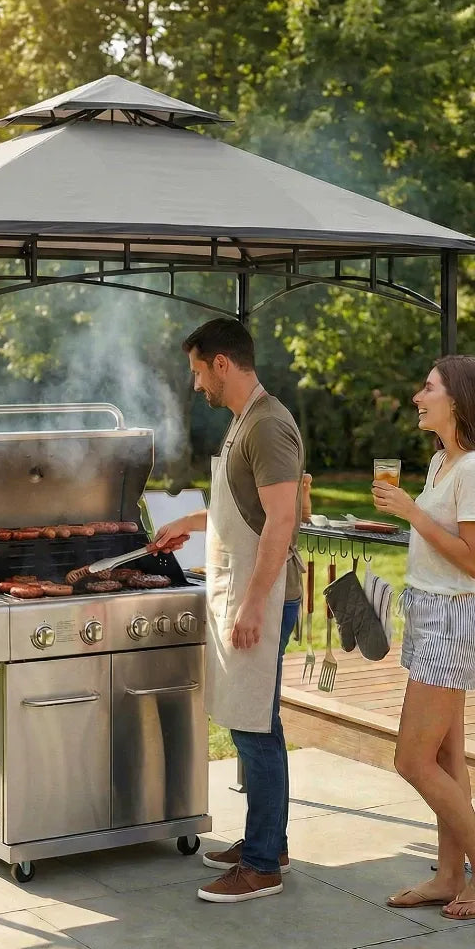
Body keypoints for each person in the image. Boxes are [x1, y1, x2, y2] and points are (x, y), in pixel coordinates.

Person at [153, 318, 310, 903]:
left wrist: (252, 603)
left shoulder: (268, 426)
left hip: (261, 601)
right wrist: (190, 524)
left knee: (256, 728)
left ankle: (264, 863)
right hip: (246, 595)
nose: (196, 385)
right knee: (253, 725)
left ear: (222, 364)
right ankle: (267, 842)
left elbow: (281, 520)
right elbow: (239, 506)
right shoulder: (246, 423)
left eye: (198, 371)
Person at [372, 355, 475, 920]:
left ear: (457, 400)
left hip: (452, 620)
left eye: (428, 388)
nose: (417, 396)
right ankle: (450, 874)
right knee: (448, 757)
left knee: (412, 760)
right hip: (429, 613)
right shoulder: (439, 464)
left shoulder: (474, 468)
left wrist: (411, 514)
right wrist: (412, 513)